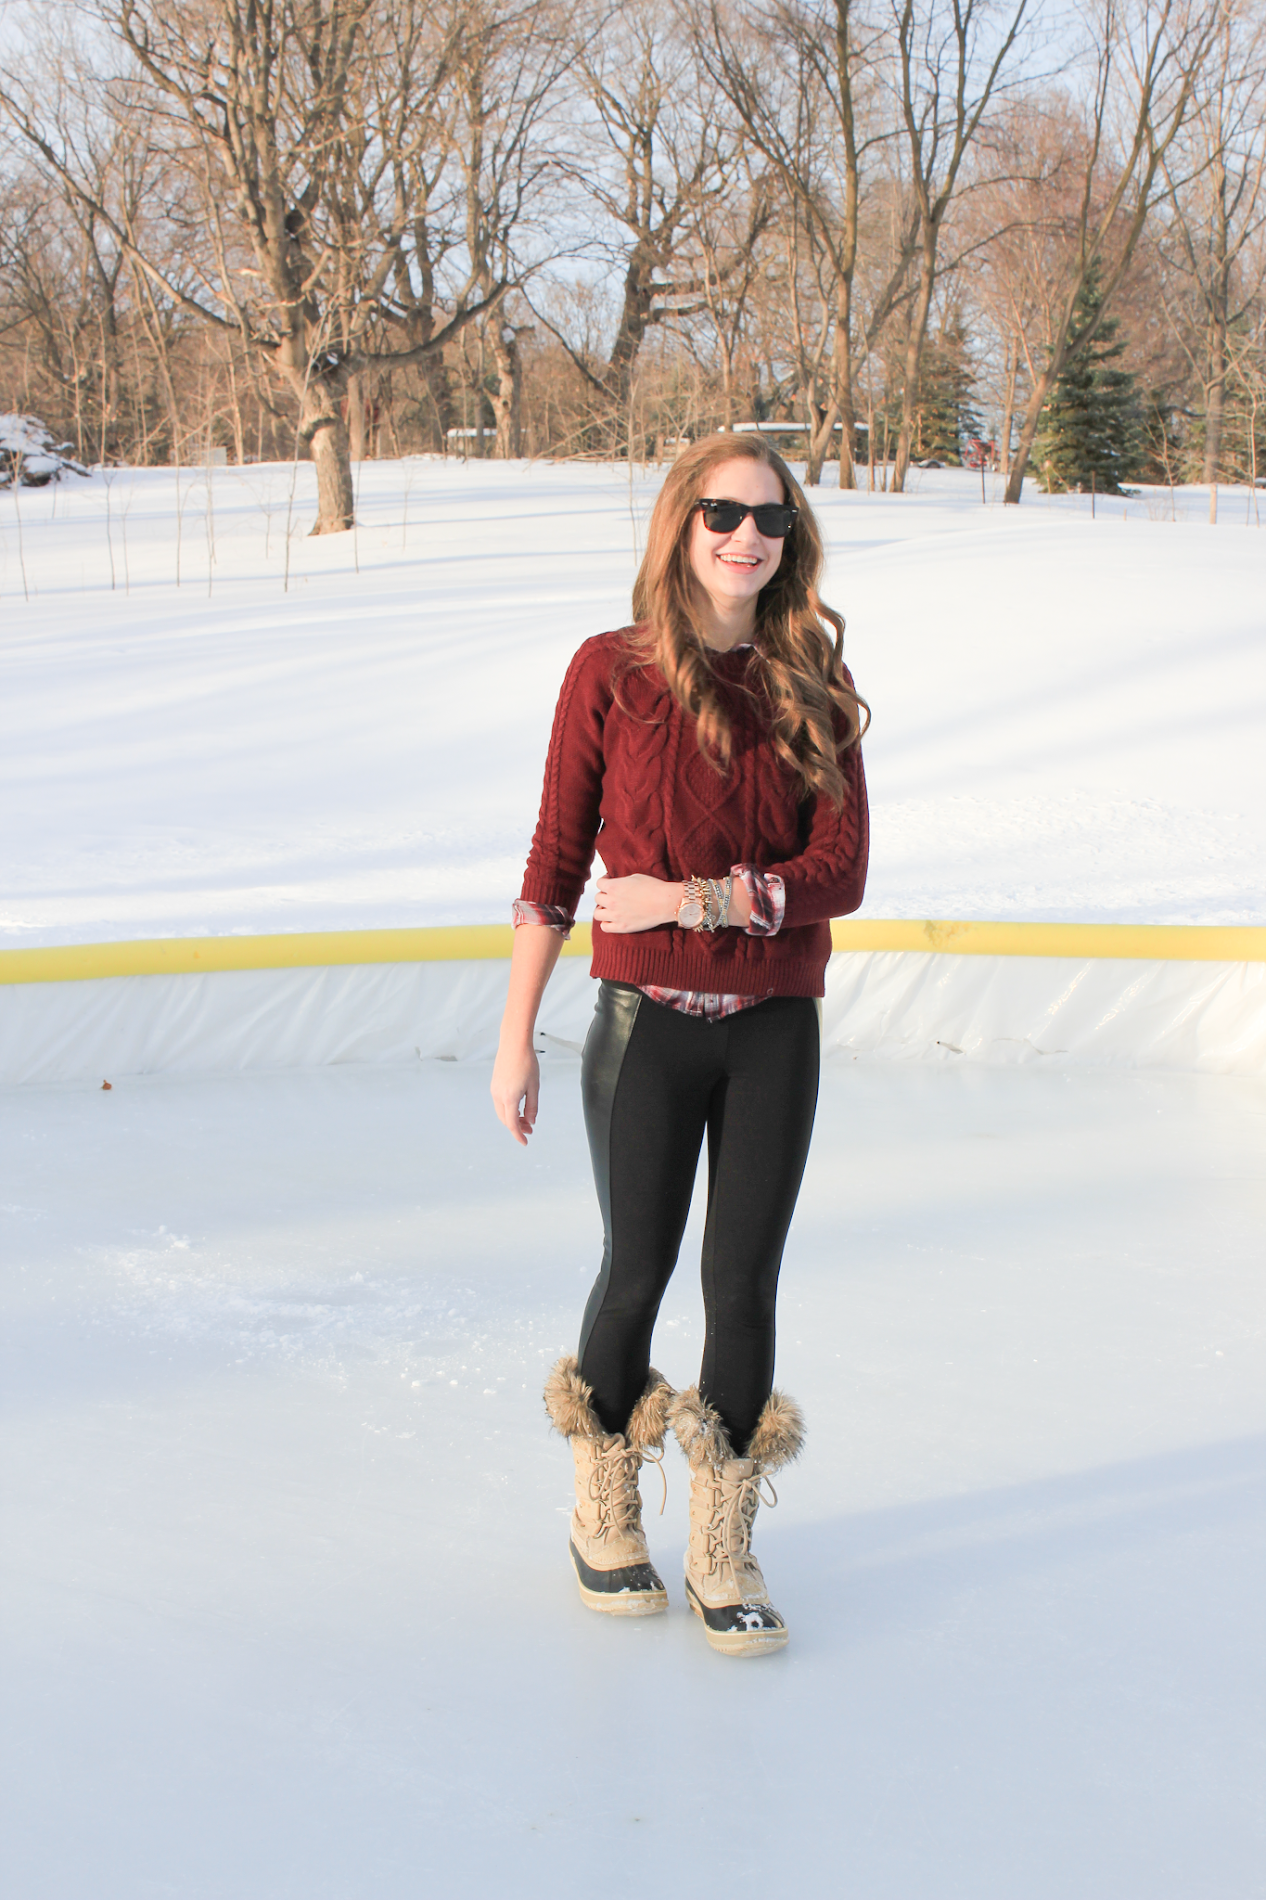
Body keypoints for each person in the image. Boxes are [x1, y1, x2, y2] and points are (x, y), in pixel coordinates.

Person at [490, 432, 869, 1657]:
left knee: (742, 1280)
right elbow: (555, 861)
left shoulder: (813, 678)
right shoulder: (609, 672)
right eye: (723, 513)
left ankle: (723, 1543)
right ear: (680, 522)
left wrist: (693, 900)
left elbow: (840, 871)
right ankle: (604, 1503)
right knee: (637, 1267)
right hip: (641, 1027)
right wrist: (516, 1038)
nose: (747, 536)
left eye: (771, 518)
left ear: (791, 539)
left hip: (773, 1032)